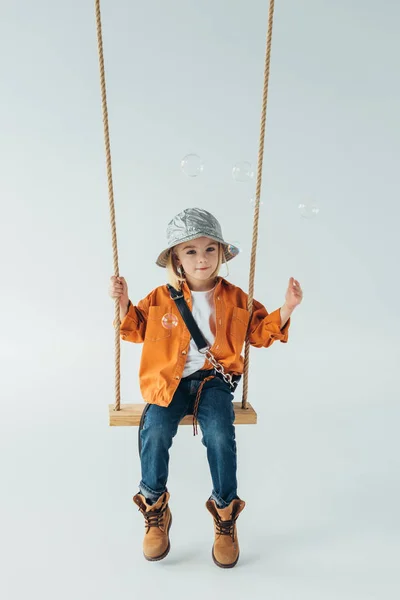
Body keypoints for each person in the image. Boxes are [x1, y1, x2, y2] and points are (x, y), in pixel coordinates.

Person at [108, 207, 303, 568]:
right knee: (154, 429)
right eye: (191, 251)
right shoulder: (160, 297)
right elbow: (136, 330)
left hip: (214, 382)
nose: (202, 259)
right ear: (177, 259)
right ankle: (154, 508)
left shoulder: (236, 298)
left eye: (210, 249)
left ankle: (225, 516)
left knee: (219, 432)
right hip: (170, 380)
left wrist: (287, 308)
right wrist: (123, 303)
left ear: (221, 253)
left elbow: (259, 333)